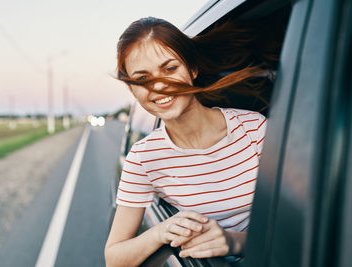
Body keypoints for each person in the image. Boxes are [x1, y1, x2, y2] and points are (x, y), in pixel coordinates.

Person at [105, 12, 286, 267]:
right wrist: (161, 231)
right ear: (132, 89)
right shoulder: (143, 158)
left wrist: (235, 242)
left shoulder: (254, 128)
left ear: (192, 68)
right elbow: (114, 258)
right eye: (143, 79)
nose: (159, 87)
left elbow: (298, 226)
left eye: (170, 68)